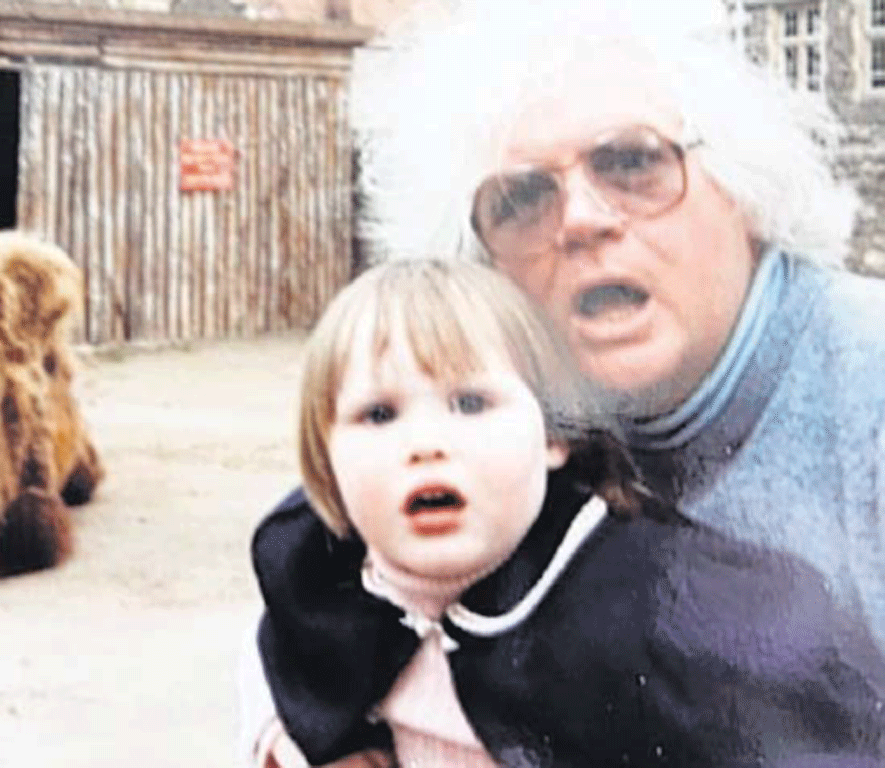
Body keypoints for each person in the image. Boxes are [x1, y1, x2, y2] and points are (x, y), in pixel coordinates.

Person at [341, 0, 885, 647]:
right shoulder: (507, 398)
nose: (581, 220)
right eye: (521, 198)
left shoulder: (867, 390)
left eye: (631, 163)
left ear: (745, 190)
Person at [250, 258, 885, 768]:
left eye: (471, 403)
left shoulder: (657, 601)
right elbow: (294, 648)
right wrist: (317, 743)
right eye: (379, 415)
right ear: (325, 463)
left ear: (555, 435)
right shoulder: (318, 567)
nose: (426, 443)